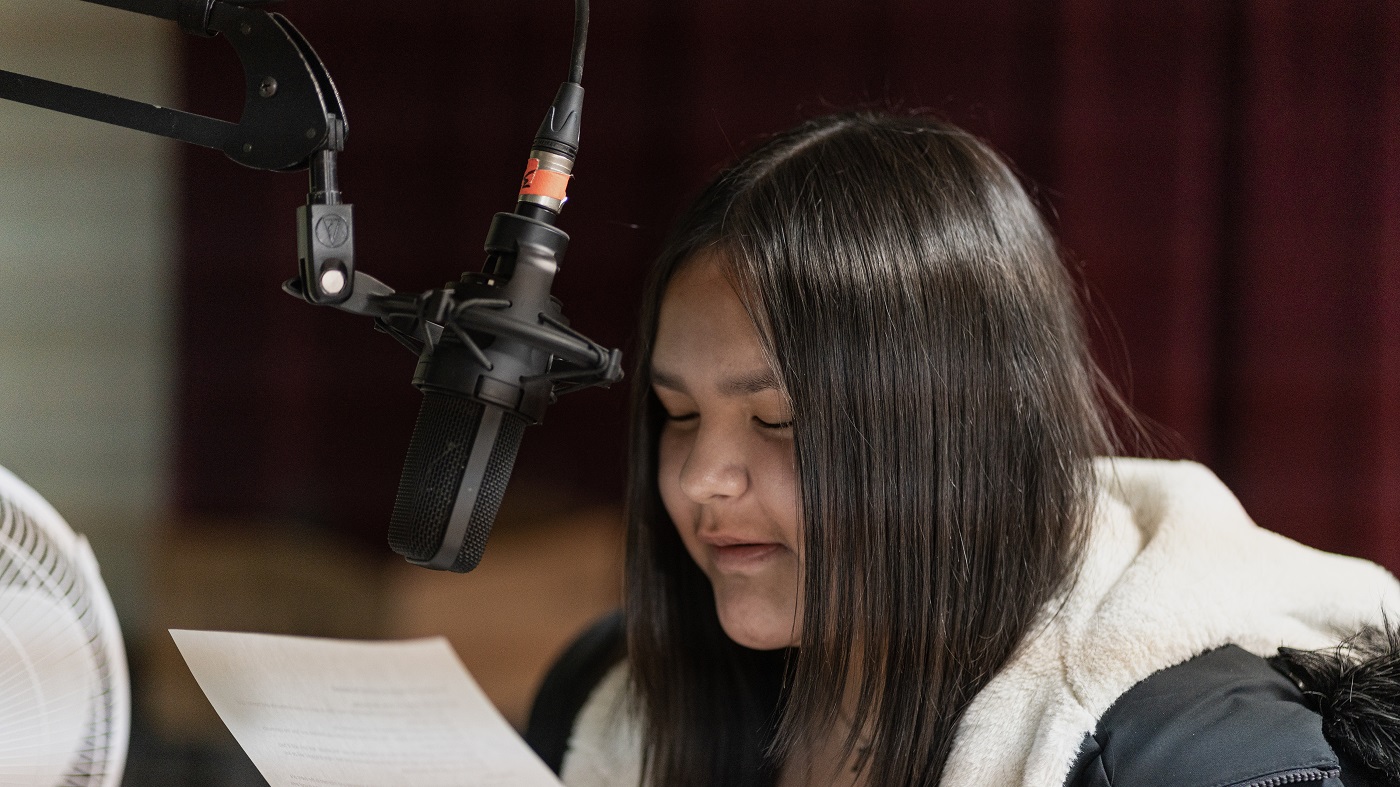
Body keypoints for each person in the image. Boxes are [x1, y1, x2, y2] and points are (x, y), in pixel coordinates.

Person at [523, 112, 1400, 787]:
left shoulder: (1211, 760)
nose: (700, 479)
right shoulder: (605, 692)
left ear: (954, 433)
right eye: (677, 413)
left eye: (779, 421)